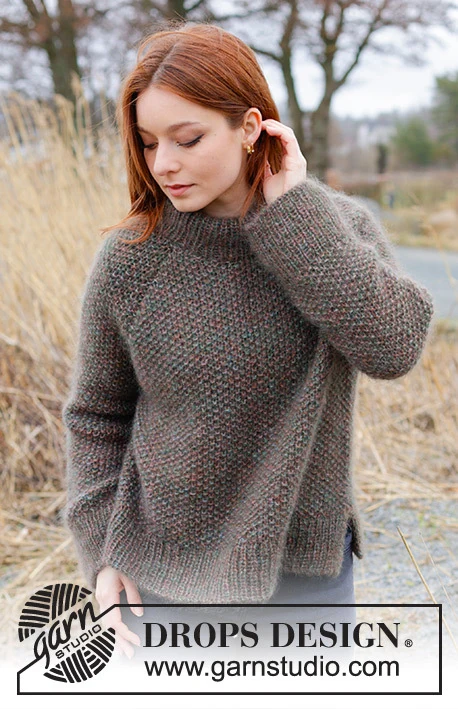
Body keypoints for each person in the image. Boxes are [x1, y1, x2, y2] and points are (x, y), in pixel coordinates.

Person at [61, 21, 434, 662]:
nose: (163, 164)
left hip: (304, 575)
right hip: (163, 576)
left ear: (250, 127)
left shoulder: (331, 229)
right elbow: (96, 417)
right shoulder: (132, 259)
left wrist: (293, 218)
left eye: (188, 139)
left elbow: (392, 347)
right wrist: (100, 551)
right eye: (148, 143)